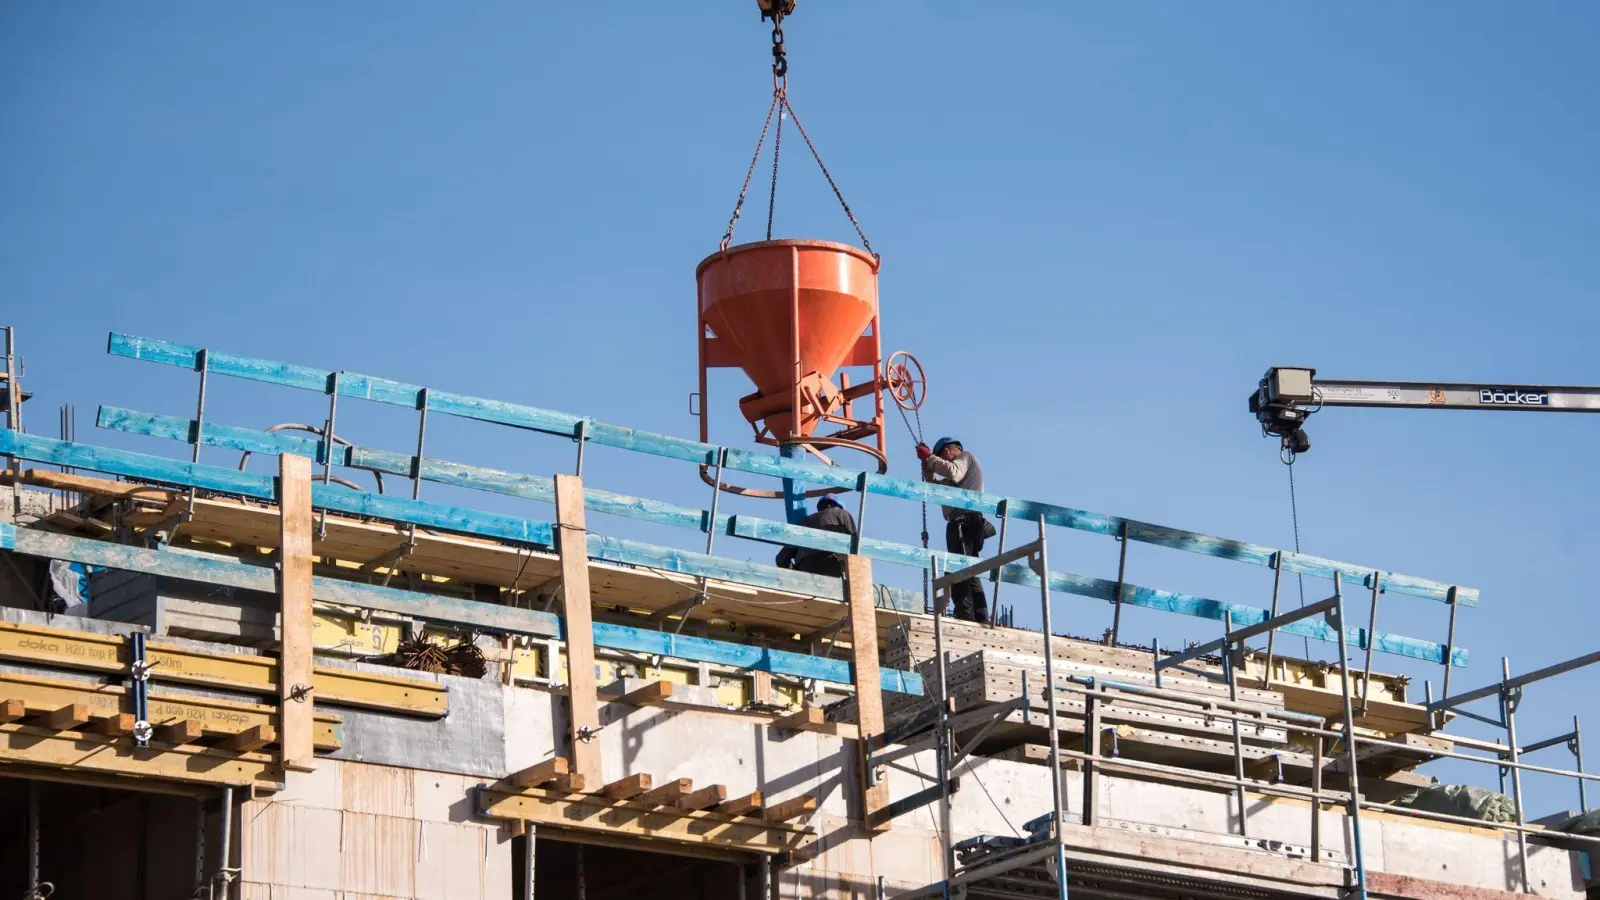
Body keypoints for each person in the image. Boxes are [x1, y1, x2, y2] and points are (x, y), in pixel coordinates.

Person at [917, 436, 991, 623]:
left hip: (964, 522)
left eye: (940, 456)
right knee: (970, 571)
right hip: (964, 522)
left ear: (948, 451)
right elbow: (936, 489)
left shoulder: (965, 458)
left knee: (958, 569)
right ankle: (980, 617)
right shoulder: (956, 481)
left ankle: (966, 615)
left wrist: (931, 459)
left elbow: (952, 471)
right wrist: (928, 466)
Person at [775, 497, 857, 578]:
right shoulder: (842, 514)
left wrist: (794, 573)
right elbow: (855, 546)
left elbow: (781, 559)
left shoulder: (803, 523)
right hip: (833, 565)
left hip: (805, 569)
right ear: (839, 506)